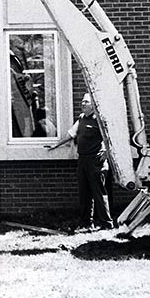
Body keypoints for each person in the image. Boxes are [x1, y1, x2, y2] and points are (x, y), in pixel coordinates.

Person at [47, 93, 113, 232]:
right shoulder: (81, 118)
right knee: (84, 193)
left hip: (96, 161)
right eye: (82, 102)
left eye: (86, 102)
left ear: (93, 105)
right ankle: (86, 223)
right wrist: (56, 145)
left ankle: (106, 224)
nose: (83, 104)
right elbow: (71, 134)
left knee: (99, 193)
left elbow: (111, 137)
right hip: (82, 160)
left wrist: (107, 153)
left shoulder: (100, 119)